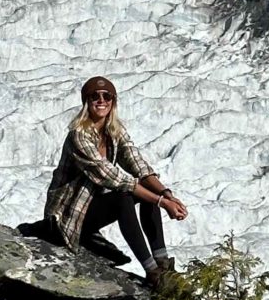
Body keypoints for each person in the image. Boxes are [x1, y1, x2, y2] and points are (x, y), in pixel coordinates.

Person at [43, 75, 188, 284]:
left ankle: (163, 263)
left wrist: (166, 195)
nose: (101, 101)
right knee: (123, 197)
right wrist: (162, 203)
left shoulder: (114, 131)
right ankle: (152, 271)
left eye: (106, 97)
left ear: (113, 101)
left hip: (89, 209)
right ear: (86, 102)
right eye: (95, 96)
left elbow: (139, 166)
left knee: (149, 192)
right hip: (67, 216)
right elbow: (114, 178)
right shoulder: (79, 135)